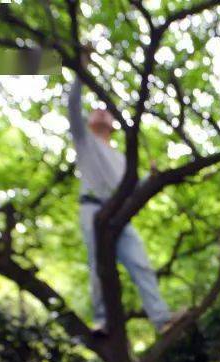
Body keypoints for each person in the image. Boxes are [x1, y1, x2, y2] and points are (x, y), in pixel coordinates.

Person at [67, 68, 182, 334]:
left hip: (120, 214)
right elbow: (73, 106)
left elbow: (135, 186)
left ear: (114, 124)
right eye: (96, 110)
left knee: (141, 262)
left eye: (106, 110)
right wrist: (80, 70)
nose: (101, 111)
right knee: (99, 264)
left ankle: (161, 319)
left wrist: (153, 178)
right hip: (93, 210)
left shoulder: (122, 158)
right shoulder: (84, 141)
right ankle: (102, 319)